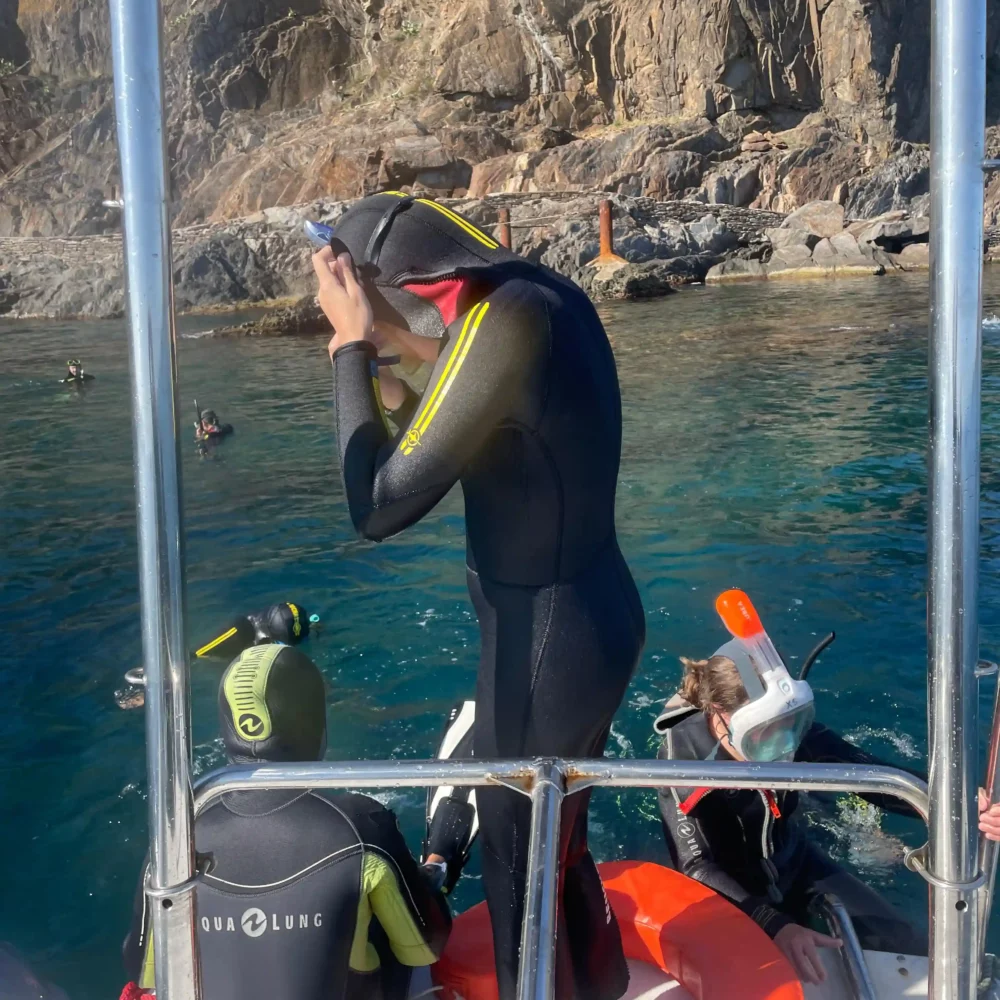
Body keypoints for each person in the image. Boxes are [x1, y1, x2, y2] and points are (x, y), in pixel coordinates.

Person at [315, 193, 645, 1000]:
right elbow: (469, 403)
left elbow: (377, 506)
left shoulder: (503, 322)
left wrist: (350, 348)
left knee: (514, 862)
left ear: (388, 278)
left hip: (548, 641)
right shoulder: (533, 297)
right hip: (586, 621)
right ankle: (594, 986)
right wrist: (393, 349)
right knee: (557, 841)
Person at [655, 627, 1000, 986]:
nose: (784, 743)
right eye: (764, 731)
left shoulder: (788, 733)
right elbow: (696, 867)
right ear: (721, 715)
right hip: (734, 892)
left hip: (796, 862)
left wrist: (958, 805)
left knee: (911, 947)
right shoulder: (684, 763)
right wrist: (774, 924)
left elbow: (874, 776)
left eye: (790, 722)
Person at [122, 644, 470, 1000]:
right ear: (317, 725)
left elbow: (142, 969)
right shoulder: (362, 827)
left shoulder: (176, 839)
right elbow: (425, 948)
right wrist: (432, 874)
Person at [115, 601, 318, 709]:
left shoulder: (298, 622)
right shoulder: (238, 631)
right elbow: (196, 655)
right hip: (222, 661)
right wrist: (157, 684)